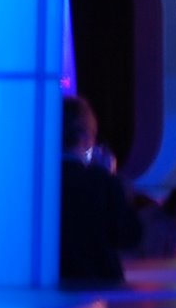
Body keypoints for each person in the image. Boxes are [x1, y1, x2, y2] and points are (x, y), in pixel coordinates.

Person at [60, 96, 142, 284]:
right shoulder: (101, 181)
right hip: (98, 282)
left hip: (45, 284)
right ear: (86, 137)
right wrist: (112, 180)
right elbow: (128, 236)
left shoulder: (28, 183)